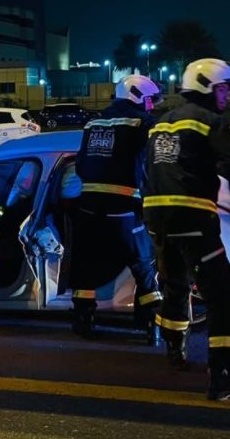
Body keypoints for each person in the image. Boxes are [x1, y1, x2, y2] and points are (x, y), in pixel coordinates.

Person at [143, 58, 230, 401]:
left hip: (157, 221)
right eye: (224, 89)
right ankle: (223, 377)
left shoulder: (161, 124)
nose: (228, 96)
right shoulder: (209, 121)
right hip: (193, 220)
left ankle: (175, 353)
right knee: (222, 298)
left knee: (175, 287)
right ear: (208, 86)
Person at [70, 75, 164, 344]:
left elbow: (80, 165)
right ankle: (151, 326)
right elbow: (151, 166)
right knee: (143, 266)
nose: (152, 106)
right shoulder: (143, 123)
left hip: (88, 209)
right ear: (136, 96)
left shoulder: (93, 123)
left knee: (86, 267)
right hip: (124, 210)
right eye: (150, 100)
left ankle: (83, 322)